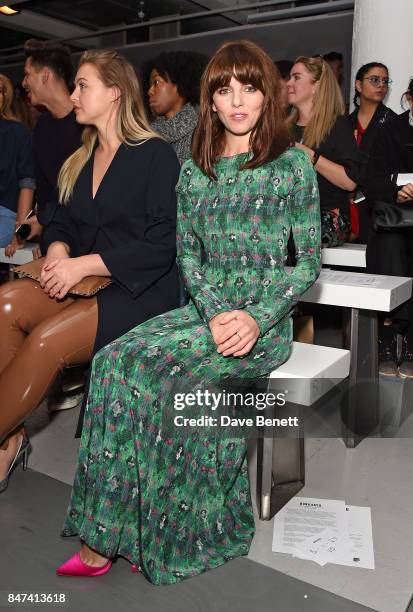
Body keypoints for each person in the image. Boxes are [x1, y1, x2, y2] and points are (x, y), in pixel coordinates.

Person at [57, 40, 321, 584]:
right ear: (211, 99)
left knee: (173, 378)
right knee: (114, 361)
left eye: (249, 88)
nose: (237, 101)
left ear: (266, 94)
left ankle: (187, 530)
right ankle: (109, 527)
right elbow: (189, 256)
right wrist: (218, 309)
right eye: (224, 90)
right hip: (206, 311)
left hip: (264, 323)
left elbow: (307, 264)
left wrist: (253, 317)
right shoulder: (195, 171)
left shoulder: (292, 165)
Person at [0, 49, 181, 493]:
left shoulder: (155, 155)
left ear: (115, 92)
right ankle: (11, 436)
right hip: (85, 280)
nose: (74, 94)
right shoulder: (80, 158)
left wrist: (79, 263)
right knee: (5, 302)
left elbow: (161, 245)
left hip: (138, 290)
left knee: (47, 341)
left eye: (83, 85)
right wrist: (59, 250)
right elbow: (60, 222)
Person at [287, 55, 365, 247]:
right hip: (288, 217)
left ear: (316, 86)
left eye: (296, 77)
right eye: (289, 77)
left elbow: (350, 182)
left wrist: (308, 154)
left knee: (292, 237)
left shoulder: (337, 125)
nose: (289, 83)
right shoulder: (283, 129)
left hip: (328, 217)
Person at [364, 78, 413, 378]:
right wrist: (397, 191)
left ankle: (406, 340)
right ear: (409, 99)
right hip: (394, 217)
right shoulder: (390, 130)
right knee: (390, 249)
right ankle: (391, 338)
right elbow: (370, 180)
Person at [22, 39, 83, 247]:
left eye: (27, 74)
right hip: (57, 235)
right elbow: (46, 189)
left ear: (45, 75)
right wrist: (42, 220)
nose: (23, 83)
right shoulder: (41, 128)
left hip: (91, 238)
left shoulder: (88, 124)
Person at [348, 62, 396, 242]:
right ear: (359, 85)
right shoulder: (345, 123)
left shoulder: (394, 123)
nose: (381, 85)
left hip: (377, 206)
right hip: (346, 204)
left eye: (385, 81)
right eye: (375, 80)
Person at [143, 51, 208, 164]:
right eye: (149, 85)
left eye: (156, 82)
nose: (150, 91)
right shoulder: (144, 136)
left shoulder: (203, 133)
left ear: (179, 84)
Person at [0, 75, 35, 252]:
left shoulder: (17, 132)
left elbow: (27, 183)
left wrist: (19, 233)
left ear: (5, 97)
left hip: (7, 215)